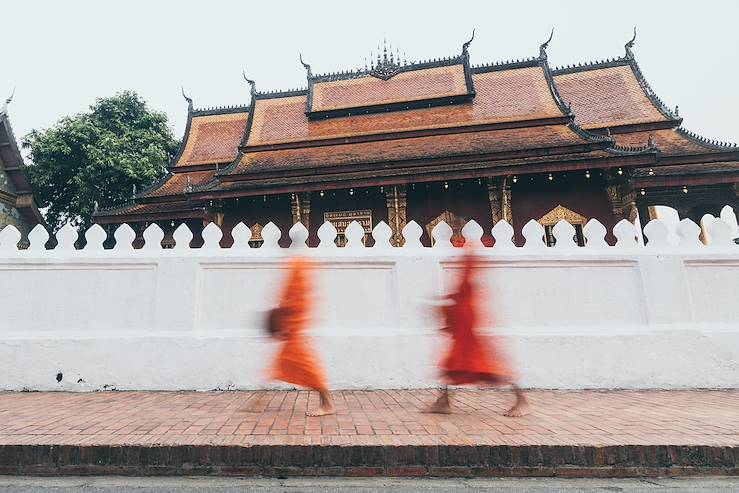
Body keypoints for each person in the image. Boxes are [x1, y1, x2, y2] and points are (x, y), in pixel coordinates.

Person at [428, 248, 529, 417]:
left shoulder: (470, 255)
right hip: (463, 325)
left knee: (488, 367)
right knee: (452, 365)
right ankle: (443, 401)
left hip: (467, 327)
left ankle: (522, 401)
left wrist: (451, 313)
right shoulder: (465, 263)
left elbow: (466, 288)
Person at [266, 256, 335, 417]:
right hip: (293, 328)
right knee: (284, 362)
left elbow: (295, 301)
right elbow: (290, 298)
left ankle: (328, 404)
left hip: (294, 328)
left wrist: (285, 318)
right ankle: (259, 399)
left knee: (307, 366)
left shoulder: (299, 267)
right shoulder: (298, 267)